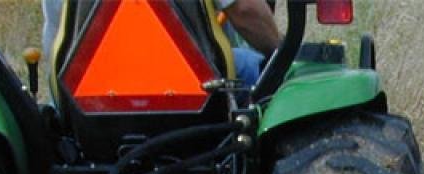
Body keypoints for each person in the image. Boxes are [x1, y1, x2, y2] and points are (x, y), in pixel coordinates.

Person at [42, 0, 282, 90]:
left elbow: (57, 40)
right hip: (192, 91)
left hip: (86, 98)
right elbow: (245, 11)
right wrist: (284, 55)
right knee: (260, 70)